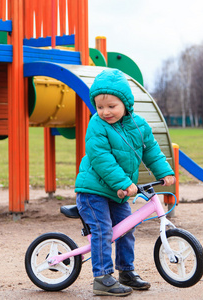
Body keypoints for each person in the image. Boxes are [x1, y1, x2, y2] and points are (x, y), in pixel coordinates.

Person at [75, 68, 175, 296]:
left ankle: (126, 271)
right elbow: (102, 159)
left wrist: (164, 172)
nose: (105, 112)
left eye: (111, 106)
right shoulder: (97, 126)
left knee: (127, 229)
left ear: (126, 103)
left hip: (117, 191)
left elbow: (151, 152)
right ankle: (102, 277)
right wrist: (123, 183)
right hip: (94, 191)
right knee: (103, 230)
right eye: (100, 107)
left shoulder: (138, 126)